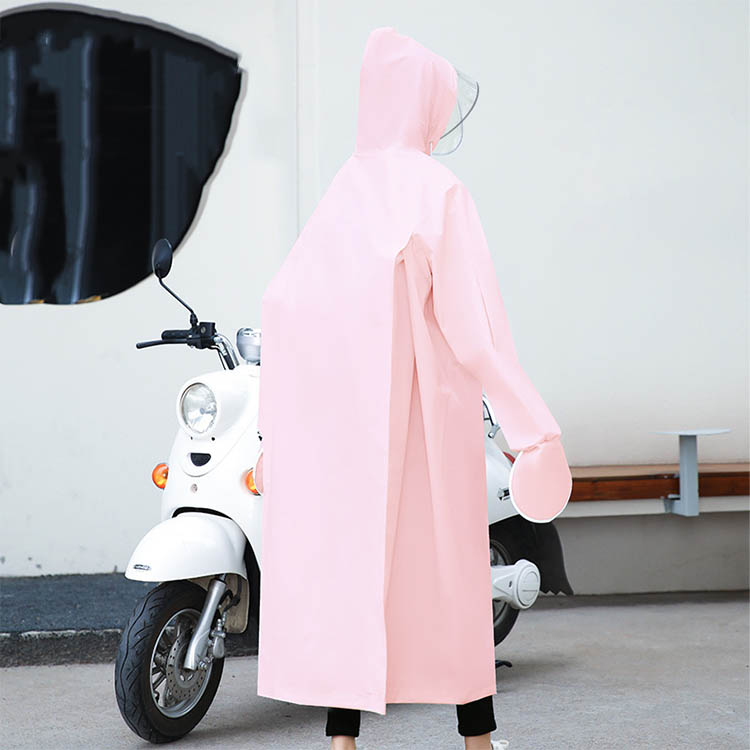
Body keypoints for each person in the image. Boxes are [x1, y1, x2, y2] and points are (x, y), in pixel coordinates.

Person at [256, 26, 570, 750]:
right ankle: (476, 740)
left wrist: (278, 433)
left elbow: (287, 307)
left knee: (353, 580)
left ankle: (341, 741)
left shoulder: (343, 192)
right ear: (425, 102)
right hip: (429, 427)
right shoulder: (438, 190)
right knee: (449, 583)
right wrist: (533, 430)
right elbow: (476, 332)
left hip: (344, 435)